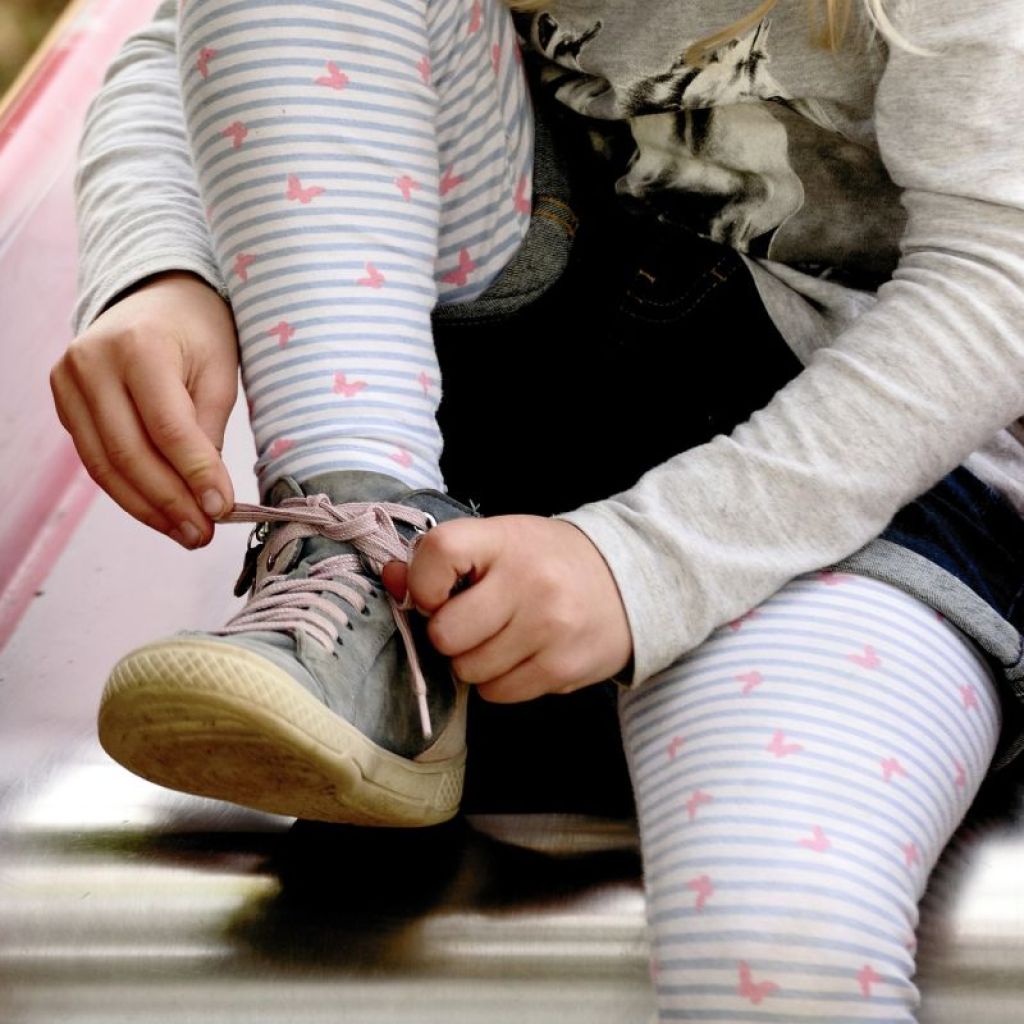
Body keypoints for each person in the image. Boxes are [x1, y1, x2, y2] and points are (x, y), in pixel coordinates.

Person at [50, 0, 1024, 1019]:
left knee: (772, 938)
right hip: (496, 456)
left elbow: (1000, 282)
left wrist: (643, 560)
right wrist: (166, 269)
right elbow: (182, 44)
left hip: (859, 479)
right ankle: (358, 564)